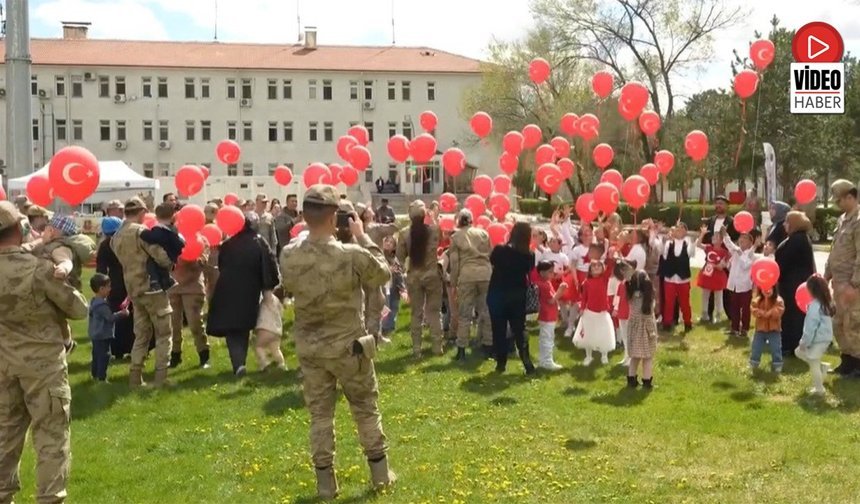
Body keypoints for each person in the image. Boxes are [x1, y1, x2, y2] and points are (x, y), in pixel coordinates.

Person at [280, 185, 395, 499]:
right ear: (335, 218)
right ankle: (380, 476)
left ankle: (326, 485)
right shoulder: (352, 253)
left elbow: (288, 285)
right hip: (349, 347)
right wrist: (362, 235)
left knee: (320, 415)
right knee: (365, 409)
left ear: (304, 215)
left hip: (310, 346)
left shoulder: (289, 253)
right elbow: (383, 274)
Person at [0, 200, 88, 504]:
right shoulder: (39, 269)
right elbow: (78, 308)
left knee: (4, 435)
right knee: (50, 436)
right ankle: (50, 499)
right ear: (19, 229)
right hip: (43, 366)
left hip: (2, 363)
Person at [111, 197, 175, 387]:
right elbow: (162, 257)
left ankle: (135, 375)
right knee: (164, 333)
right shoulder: (141, 232)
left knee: (141, 334)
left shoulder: (116, 236)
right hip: (152, 289)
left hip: (134, 290)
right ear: (141, 213)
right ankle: (161, 377)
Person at [207, 212, 280, 376]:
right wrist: (269, 286)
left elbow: (222, 264)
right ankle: (248, 361)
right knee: (243, 326)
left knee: (233, 328)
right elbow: (269, 264)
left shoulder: (227, 244)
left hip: (226, 288)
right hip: (249, 290)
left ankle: (238, 363)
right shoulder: (259, 242)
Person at [396, 201, 443, 358]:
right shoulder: (434, 230)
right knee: (434, 312)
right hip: (432, 276)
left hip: (414, 277)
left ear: (410, 215)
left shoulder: (404, 234)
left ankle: (417, 350)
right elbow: (441, 238)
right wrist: (434, 218)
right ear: (424, 215)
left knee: (416, 313)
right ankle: (437, 348)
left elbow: (400, 258)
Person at [487, 222, 536, 374]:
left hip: (497, 294)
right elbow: (529, 270)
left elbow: (492, 261)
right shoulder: (529, 255)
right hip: (517, 296)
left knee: (499, 330)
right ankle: (526, 361)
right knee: (519, 330)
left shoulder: (500, 250)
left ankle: (501, 363)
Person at [824, 180, 860, 377]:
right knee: (839, 323)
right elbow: (834, 251)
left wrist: (855, 283)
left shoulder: (859, 220)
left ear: (850, 197)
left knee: (854, 323)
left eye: (839, 200)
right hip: (839, 283)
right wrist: (827, 273)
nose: (837, 204)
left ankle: (857, 364)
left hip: (853, 284)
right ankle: (846, 361)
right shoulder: (842, 220)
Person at [449, 209, 493, 361]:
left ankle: (461, 349)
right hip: (486, 274)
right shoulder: (484, 233)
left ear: (459, 220)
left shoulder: (456, 237)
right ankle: (488, 346)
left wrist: (453, 284)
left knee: (465, 314)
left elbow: (454, 263)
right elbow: (490, 254)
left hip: (467, 275)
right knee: (486, 311)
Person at [355, 203, 399, 343]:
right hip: (375, 269)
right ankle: (374, 337)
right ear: (366, 214)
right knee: (376, 305)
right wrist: (390, 220)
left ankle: (365, 335)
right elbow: (394, 228)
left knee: (363, 305)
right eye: (368, 209)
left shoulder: (356, 231)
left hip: (360, 269)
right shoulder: (374, 228)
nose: (371, 209)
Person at [774, 211, 816, 354]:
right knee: (792, 315)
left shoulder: (797, 240)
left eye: (787, 222)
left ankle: (791, 345)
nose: (784, 224)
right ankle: (790, 343)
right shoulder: (798, 238)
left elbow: (785, 261)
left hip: (794, 283)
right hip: (793, 282)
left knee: (793, 316)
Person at [96, 216, 135, 359]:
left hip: (114, 284)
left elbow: (100, 269)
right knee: (133, 316)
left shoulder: (105, 245)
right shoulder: (127, 242)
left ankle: (117, 350)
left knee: (116, 317)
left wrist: (102, 287)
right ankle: (134, 348)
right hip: (131, 280)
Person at [168, 245, 211, 369]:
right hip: (173, 286)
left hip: (193, 287)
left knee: (195, 322)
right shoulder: (172, 238)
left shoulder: (200, 240)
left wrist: (193, 257)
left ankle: (204, 355)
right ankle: (175, 355)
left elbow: (204, 260)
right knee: (173, 324)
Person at [795, 275, 835, 396]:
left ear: (812, 290)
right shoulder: (825, 304)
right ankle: (823, 367)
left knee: (813, 362)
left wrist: (804, 342)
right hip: (824, 338)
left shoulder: (815, 306)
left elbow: (810, 327)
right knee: (798, 352)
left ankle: (819, 389)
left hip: (819, 339)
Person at [573, 258, 616, 366]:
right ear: (590, 270)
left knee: (603, 334)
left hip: (602, 313)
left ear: (603, 268)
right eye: (594, 266)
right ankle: (588, 356)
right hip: (589, 312)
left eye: (599, 266)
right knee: (588, 334)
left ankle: (604, 355)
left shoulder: (604, 279)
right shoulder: (586, 282)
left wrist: (610, 256)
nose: (596, 268)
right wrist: (582, 309)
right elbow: (584, 298)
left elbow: (610, 267)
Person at [88, 273, 130, 382]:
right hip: (102, 335)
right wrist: (122, 314)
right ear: (101, 289)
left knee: (96, 355)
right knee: (104, 356)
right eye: (108, 287)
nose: (110, 289)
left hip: (95, 334)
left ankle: (94, 375)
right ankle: (102, 377)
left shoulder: (94, 302)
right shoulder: (102, 305)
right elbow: (110, 318)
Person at [140, 203, 185, 293]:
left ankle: (155, 283)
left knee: (151, 262)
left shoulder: (159, 230)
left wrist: (143, 232)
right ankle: (168, 280)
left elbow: (150, 237)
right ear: (173, 216)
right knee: (162, 270)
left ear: (156, 217)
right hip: (173, 257)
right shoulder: (173, 230)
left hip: (165, 256)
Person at [625, 271, 658, 389]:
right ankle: (647, 380)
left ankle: (631, 379)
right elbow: (648, 318)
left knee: (635, 357)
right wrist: (652, 333)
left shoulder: (631, 296)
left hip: (633, 331)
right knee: (648, 358)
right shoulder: (647, 300)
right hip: (645, 333)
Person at [659, 223, 693, 332]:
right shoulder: (669, 243)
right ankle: (667, 323)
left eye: (682, 229)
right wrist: (664, 241)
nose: (679, 231)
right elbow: (662, 254)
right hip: (670, 278)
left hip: (683, 278)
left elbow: (691, 254)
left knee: (685, 302)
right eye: (677, 229)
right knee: (669, 302)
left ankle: (687, 322)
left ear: (685, 232)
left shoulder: (687, 243)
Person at [723, 230, 756, 338]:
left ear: (750, 243)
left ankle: (745, 329)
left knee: (745, 309)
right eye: (741, 237)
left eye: (745, 238)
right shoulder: (736, 251)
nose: (742, 240)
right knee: (734, 307)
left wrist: (740, 254)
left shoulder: (751, 255)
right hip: (734, 285)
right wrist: (725, 234)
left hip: (745, 286)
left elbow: (745, 265)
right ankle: (734, 328)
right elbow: (729, 244)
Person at [535, 260, 567, 371]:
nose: (552, 274)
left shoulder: (546, 283)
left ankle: (544, 360)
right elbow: (551, 300)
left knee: (546, 337)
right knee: (547, 339)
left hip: (548, 315)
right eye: (550, 272)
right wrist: (561, 291)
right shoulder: (543, 285)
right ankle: (547, 361)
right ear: (542, 272)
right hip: (546, 315)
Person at [695, 224, 729, 324]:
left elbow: (722, 266)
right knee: (705, 295)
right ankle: (704, 314)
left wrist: (713, 266)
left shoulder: (724, 252)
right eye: (713, 236)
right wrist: (702, 234)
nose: (714, 238)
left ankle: (718, 315)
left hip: (718, 277)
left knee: (718, 297)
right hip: (707, 275)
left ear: (721, 241)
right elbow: (698, 244)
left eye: (717, 237)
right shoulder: (709, 248)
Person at [749, 285, 785, 373]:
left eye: (770, 288)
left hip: (774, 330)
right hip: (760, 330)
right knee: (756, 347)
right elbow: (753, 308)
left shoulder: (778, 300)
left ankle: (777, 364)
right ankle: (754, 363)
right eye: (764, 288)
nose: (767, 290)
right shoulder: (757, 300)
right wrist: (759, 312)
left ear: (774, 289)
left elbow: (780, 310)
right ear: (760, 289)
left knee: (776, 348)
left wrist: (770, 313)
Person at [255, 288, 286, 371]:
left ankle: (265, 363)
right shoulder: (279, 304)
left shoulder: (270, 299)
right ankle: (281, 364)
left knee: (259, 346)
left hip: (266, 328)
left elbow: (267, 291)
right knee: (276, 349)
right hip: (277, 331)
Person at [381, 236, 405, 337]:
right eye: (386, 241)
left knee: (393, 306)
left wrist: (402, 288)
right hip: (383, 286)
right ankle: (384, 327)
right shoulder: (380, 257)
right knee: (385, 306)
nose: (388, 243)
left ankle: (389, 327)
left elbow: (399, 274)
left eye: (391, 242)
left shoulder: (395, 260)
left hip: (393, 287)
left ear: (394, 247)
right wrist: (389, 270)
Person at [609, 261, 632, 366]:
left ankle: (631, 357)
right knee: (624, 335)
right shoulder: (621, 284)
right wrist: (615, 309)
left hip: (630, 313)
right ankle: (626, 356)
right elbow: (617, 298)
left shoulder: (633, 284)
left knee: (630, 335)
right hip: (622, 312)